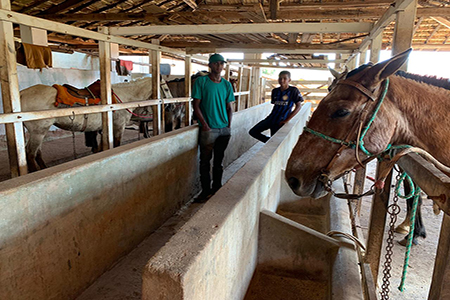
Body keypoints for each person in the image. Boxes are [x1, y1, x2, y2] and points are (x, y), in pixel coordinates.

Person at [192, 54, 235, 202]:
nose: (219, 66)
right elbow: (196, 105)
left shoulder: (227, 85)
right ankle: (206, 191)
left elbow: (229, 107)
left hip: (224, 129)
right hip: (209, 129)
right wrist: (204, 125)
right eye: (216, 63)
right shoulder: (201, 82)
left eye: (221, 64)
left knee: (218, 162)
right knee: (205, 161)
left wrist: (228, 125)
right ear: (210, 65)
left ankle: (217, 188)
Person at [249, 71, 303, 143]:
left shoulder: (293, 90)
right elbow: (275, 104)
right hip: (271, 118)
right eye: (280, 78)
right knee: (253, 132)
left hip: (281, 121)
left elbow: (299, 106)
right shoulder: (275, 91)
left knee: (275, 142)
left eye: (284, 78)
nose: (282, 80)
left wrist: (286, 120)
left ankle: (271, 142)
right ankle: (269, 141)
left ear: (289, 80)